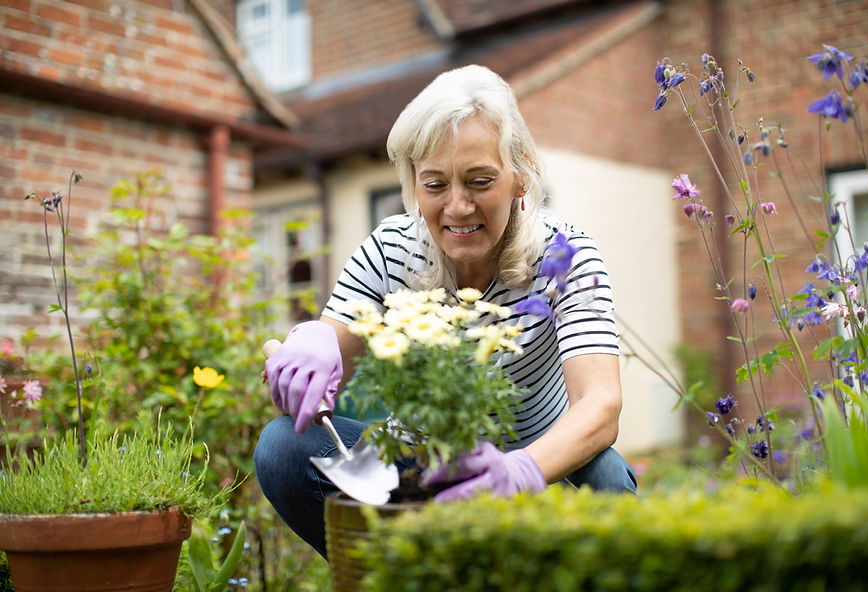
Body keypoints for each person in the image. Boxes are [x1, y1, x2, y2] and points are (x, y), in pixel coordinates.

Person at [254, 64, 637, 558]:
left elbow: (600, 405)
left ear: (520, 176)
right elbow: (331, 368)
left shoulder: (565, 255)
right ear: (413, 184)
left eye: (479, 181)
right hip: (419, 470)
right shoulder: (391, 249)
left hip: (539, 471)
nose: (457, 207)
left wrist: (519, 471)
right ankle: (397, 578)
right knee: (285, 448)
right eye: (434, 185)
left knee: (605, 478)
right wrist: (313, 345)